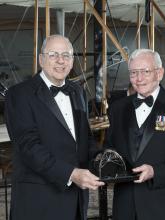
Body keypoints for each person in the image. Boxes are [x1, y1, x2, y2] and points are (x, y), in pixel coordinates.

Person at [5, 35, 104, 220]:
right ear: (41, 59)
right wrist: (71, 174)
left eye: (66, 55)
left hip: (76, 200)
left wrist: (101, 159)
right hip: (39, 200)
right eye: (53, 55)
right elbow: (29, 147)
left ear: (72, 60)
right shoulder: (19, 94)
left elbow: (85, 138)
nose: (61, 60)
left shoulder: (78, 91)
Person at [104, 49, 165, 220]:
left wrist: (156, 172)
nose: (139, 79)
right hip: (125, 207)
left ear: (159, 73)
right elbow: (109, 149)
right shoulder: (117, 108)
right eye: (134, 73)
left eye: (145, 71)